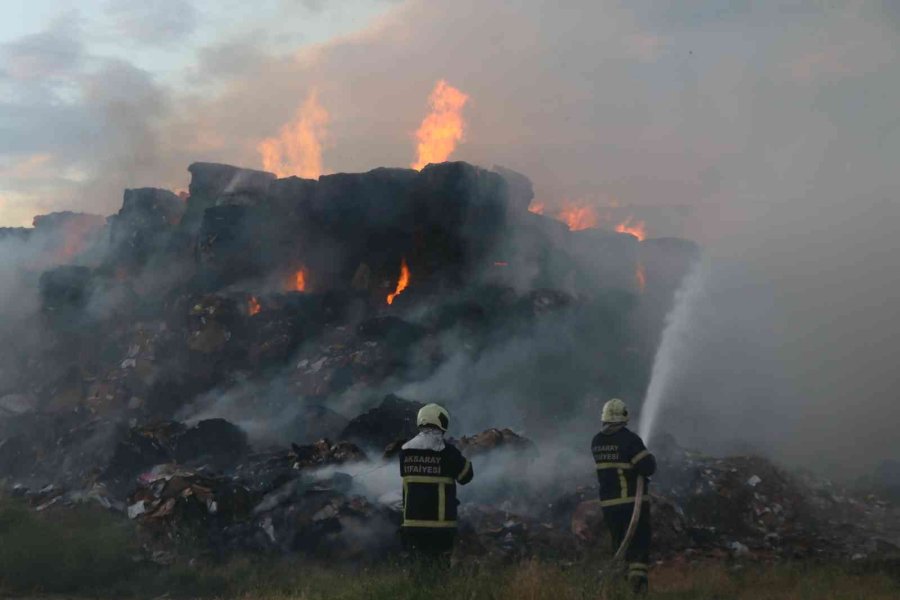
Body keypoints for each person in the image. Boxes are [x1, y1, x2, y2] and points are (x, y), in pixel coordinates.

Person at [591, 398, 657, 594]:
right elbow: (648, 467)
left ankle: (618, 588)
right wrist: (649, 457)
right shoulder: (630, 440)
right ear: (624, 417)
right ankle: (637, 589)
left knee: (619, 545)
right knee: (638, 546)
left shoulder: (597, 442)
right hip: (632, 504)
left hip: (609, 506)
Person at [399, 403, 474, 566]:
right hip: (440, 525)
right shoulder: (448, 452)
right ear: (441, 422)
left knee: (416, 566)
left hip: (411, 524)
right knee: (439, 566)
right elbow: (466, 477)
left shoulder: (405, 451)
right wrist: (464, 454)